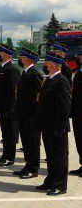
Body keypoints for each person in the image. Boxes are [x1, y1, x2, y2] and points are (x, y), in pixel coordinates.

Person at [34, 52, 71, 195]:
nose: (44, 65)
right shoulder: (49, 80)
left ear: (53, 65)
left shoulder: (62, 81)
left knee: (59, 156)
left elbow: (65, 107)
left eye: (46, 63)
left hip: (57, 126)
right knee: (51, 155)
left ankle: (60, 185)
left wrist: (60, 127)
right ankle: (50, 180)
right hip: (48, 125)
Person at [13, 47, 43, 179]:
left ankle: (33, 168)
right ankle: (28, 164)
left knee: (33, 142)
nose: (20, 59)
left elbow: (37, 98)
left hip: (31, 115)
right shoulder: (25, 73)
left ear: (29, 59)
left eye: (22, 57)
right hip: (23, 114)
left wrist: (34, 117)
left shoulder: (35, 74)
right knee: (26, 142)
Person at [0, 44, 21, 166]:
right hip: (2, 106)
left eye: (1, 52)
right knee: (5, 133)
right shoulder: (2, 68)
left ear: (8, 55)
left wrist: (10, 108)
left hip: (8, 108)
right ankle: (5, 155)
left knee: (10, 133)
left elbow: (13, 91)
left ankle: (10, 157)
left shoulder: (12, 69)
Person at [69, 50, 82, 177]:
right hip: (77, 112)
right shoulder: (78, 73)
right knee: (79, 139)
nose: (77, 59)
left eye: (79, 57)